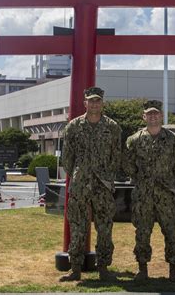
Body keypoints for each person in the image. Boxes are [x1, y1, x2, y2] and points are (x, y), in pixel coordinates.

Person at [60, 86, 122, 282]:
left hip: (103, 185)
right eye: (91, 101)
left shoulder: (112, 127)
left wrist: (107, 175)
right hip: (80, 183)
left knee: (104, 227)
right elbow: (67, 157)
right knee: (77, 225)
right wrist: (79, 173)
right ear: (85, 103)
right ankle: (75, 268)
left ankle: (103, 267)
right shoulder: (73, 126)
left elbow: (116, 155)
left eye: (98, 101)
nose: (94, 104)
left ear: (102, 103)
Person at [124, 100, 175, 282]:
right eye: (149, 114)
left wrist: (168, 178)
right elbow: (127, 163)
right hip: (143, 195)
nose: (153, 117)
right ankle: (142, 269)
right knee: (142, 232)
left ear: (161, 116)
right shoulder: (134, 140)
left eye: (156, 113)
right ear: (144, 117)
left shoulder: (174, 139)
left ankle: (174, 270)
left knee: (171, 232)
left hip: (166, 194)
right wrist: (141, 179)